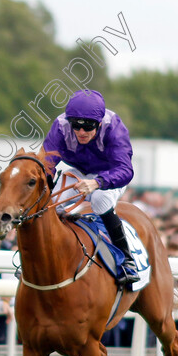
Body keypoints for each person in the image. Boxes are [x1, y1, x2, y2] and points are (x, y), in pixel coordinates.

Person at [43, 89, 139, 286]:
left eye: (88, 127)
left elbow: (125, 170)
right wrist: (46, 182)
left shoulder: (114, 127)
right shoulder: (60, 126)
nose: (81, 132)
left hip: (109, 174)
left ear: (100, 123)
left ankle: (127, 261)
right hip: (78, 171)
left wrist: (97, 183)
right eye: (76, 126)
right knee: (53, 201)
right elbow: (47, 163)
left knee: (99, 199)